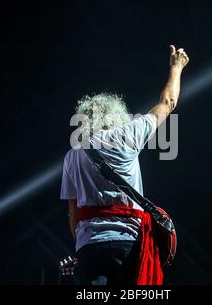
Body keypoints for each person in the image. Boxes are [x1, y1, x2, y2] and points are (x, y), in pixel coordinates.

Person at [60, 45, 189, 285]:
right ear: (117, 116)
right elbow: (167, 102)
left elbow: (74, 214)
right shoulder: (128, 135)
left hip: (90, 248)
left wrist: (82, 246)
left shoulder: (72, 156)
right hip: (128, 243)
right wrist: (177, 68)